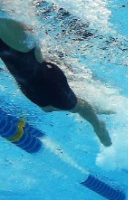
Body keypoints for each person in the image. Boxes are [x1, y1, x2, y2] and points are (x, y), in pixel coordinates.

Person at [0, 16, 112, 146]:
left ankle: (97, 124)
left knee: (70, 106)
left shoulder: (55, 98)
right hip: (26, 61)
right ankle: (97, 119)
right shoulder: (54, 99)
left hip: (26, 58)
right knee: (53, 107)